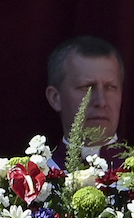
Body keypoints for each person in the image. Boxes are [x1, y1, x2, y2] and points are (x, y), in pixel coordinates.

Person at [45, 35, 128, 170]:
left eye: (110, 87)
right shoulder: (28, 186)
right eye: (86, 87)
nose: (101, 101)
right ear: (55, 98)